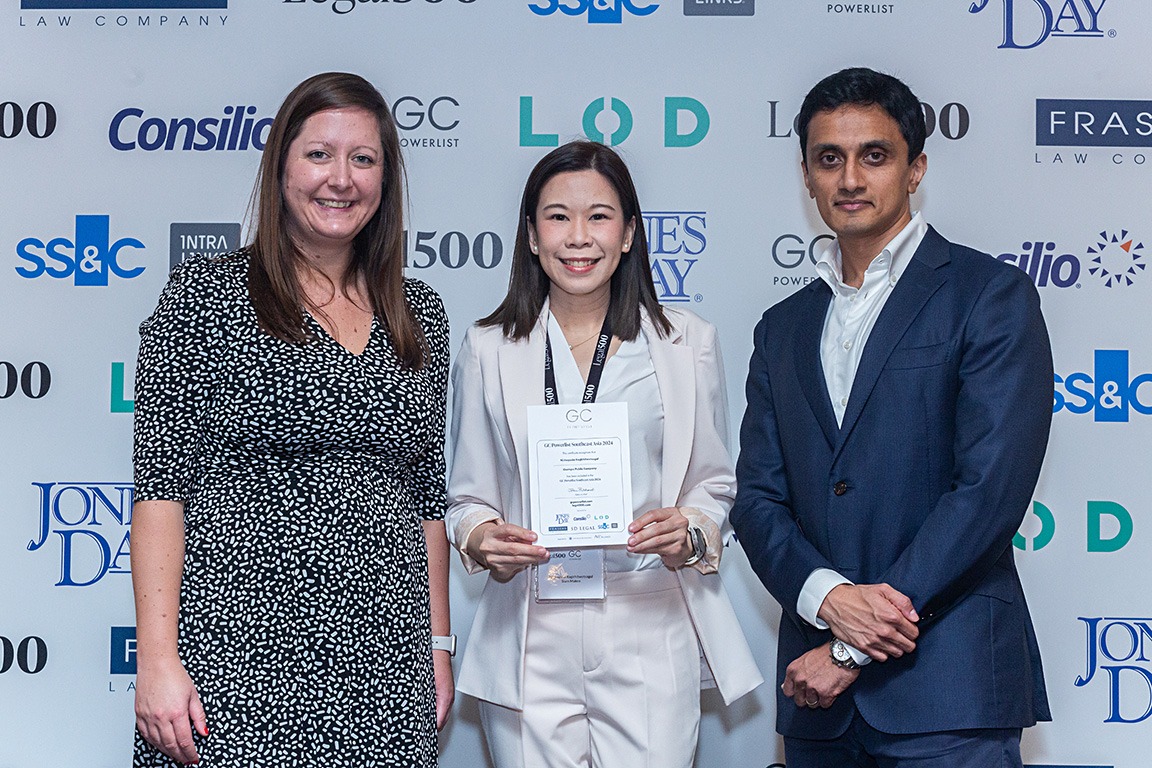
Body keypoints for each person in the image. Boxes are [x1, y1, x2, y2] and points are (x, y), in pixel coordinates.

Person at [730, 67, 1053, 767]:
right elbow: (757, 501)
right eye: (829, 158)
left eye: (873, 155)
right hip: (818, 702)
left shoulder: (988, 295)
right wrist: (828, 600)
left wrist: (852, 644)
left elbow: (987, 493)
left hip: (949, 691)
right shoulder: (781, 328)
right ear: (807, 176)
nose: (850, 178)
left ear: (916, 169)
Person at [130, 72, 453, 767]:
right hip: (235, 654)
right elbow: (160, 489)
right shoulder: (205, 296)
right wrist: (156, 661)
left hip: (388, 664)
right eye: (319, 154)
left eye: (363, 159)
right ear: (280, 167)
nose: (341, 179)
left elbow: (428, 499)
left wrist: (438, 647)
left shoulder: (420, 311)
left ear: (386, 179)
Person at [445, 140, 762, 768]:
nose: (578, 237)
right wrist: (481, 537)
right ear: (531, 236)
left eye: (599, 216)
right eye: (557, 217)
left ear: (629, 234)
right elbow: (467, 496)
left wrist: (690, 531)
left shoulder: (687, 343)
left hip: (648, 615)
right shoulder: (488, 347)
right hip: (529, 620)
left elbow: (713, 484)